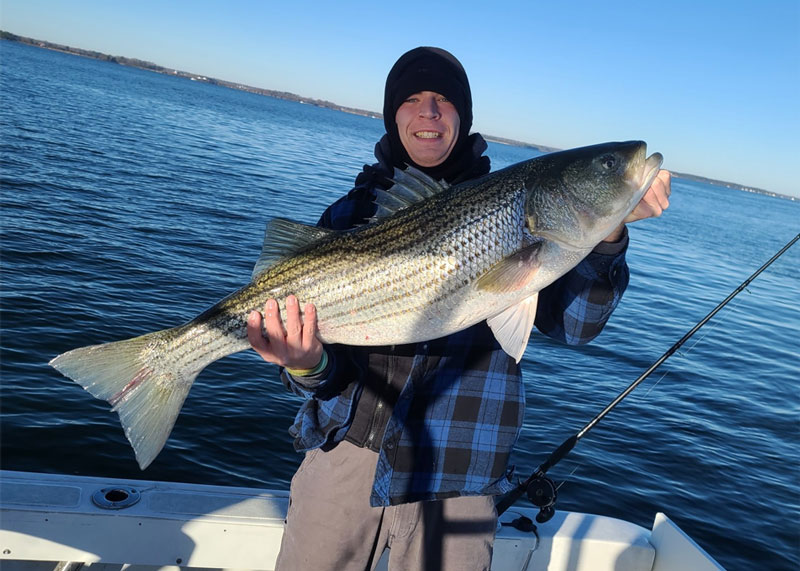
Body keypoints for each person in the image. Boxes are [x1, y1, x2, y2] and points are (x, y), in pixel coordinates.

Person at [247, 46, 671, 571]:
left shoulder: (521, 210)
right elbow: (310, 374)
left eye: (444, 100)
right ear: (393, 114)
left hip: (460, 475)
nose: (428, 111)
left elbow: (576, 326)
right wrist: (306, 363)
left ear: (462, 117)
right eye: (412, 99)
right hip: (343, 459)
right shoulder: (347, 216)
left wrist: (609, 233)